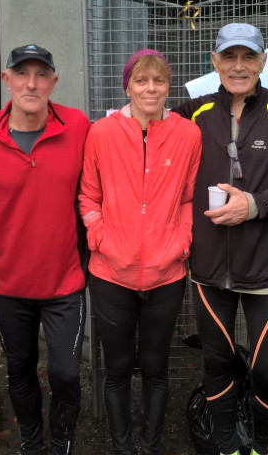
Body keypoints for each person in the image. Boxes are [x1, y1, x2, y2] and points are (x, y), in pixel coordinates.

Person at [173, 23, 268, 455]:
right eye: (229, 56)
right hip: (207, 269)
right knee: (217, 362)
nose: (238, 66)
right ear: (214, 61)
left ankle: (259, 445)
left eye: (248, 57)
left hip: (266, 269)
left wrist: (254, 205)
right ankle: (225, 445)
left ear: (262, 62)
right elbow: (144, 130)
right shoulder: (193, 113)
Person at [0, 44, 90, 455]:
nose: (32, 84)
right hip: (10, 285)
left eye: (41, 74)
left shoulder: (78, 126)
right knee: (20, 369)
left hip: (65, 282)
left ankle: (61, 443)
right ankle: (31, 443)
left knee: (66, 374)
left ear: (53, 82)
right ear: (6, 80)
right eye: (22, 74)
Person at [78, 50, 201, 455]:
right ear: (127, 87)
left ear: (168, 87)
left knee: (155, 367)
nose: (151, 89)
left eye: (159, 81)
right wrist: (101, 238)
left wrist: (182, 240)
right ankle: (121, 447)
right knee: (115, 369)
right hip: (111, 273)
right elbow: (88, 196)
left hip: (167, 273)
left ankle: (149, 446)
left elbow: (189, 197)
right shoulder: (101, 133)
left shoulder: (188, 135)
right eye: (141, 81)